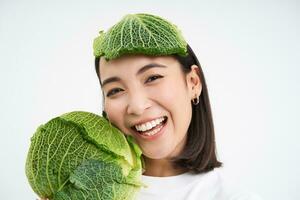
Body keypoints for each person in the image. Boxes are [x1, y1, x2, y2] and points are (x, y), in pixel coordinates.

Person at [92, 13, 262, 200]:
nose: (137, 106)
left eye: (153, 78)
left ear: (193, 83)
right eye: (115, 90)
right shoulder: (84, 191)